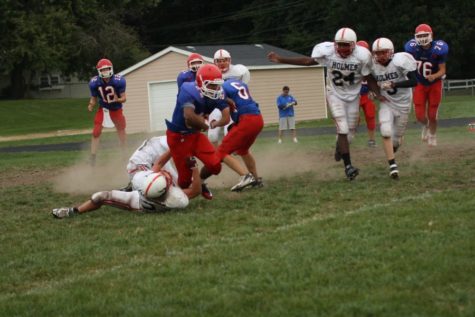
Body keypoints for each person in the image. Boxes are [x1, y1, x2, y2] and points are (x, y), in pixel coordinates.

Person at [268, 27, 382, 180]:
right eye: (339, 44)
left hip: (353, 96)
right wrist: (281, 59)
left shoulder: (363, 56)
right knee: (342, 127)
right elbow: (308, 61)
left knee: (350, 133)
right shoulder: (327, 50)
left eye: (345, 45)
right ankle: (348, 166)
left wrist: (379, 93)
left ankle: (339, 146)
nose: (342, 48)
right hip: (334, 93)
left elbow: (369, 77)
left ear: (354, 44)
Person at [166, 64, 254, 199]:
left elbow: (224, 110)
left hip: (195, 136)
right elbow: (188, 116)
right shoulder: (188, 90)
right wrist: (205, 126)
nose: (216, 88)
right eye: (212, 85)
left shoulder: (217, 93)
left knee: (215, 166)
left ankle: (200, 183)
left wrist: (229, 103)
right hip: (179, 136)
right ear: (201, 82)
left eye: (218, 85)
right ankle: (168, 191)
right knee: (184, 181)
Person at [52, 156, 201, 218]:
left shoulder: (152, 188)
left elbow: (158, 165)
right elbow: (196, 190)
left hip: (139, 200)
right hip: (142, 199)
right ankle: (129, 187)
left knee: (100, 196)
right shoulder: (176, 199)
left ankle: (74, 211)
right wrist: (194, 168)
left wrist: (171, 148)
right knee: (103, 196)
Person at [201, 78, 264, 191]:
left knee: (221, 152)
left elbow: (225, 118)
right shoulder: (240, 84)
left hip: (246, 120)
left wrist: (215, 123)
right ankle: (255, 179)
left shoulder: (221, 88)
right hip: (258, 119)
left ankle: (246, 176)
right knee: (243, 151)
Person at [371, 38, 418, 179]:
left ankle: (392, 151)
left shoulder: (400, 60)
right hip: (387, 102)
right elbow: (370, 79)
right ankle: (392, 165)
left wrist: (394, 85)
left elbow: (414, 81)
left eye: (383, 52)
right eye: (377, 53)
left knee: (396, 140)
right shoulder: (372, 65)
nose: (380, 56)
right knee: (385, 131)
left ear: (390, 52)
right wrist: (374, 91)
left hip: (403, 104)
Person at [404, 23, 449, 146]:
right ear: (415, 37)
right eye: (420, 35)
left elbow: (443, 70)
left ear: (431, 35)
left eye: (425, 35)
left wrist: (434, 76)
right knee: (419, 116)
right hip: (420, 84)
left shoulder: (439, 49)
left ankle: (433, 135)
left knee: (432, 114)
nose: (423, 38)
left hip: (435, 83)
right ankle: (426, 126)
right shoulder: (411, 48)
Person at [87, 58, 127, 166]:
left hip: (116, 109)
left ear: (111, 69)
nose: (105, 72)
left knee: (121, 131)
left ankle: (124, 153)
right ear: (99, 71)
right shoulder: (94, 82)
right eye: (103, 70)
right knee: (96, 131)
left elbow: (124, 98)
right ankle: (93, 157)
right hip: (104, 108)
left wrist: (117, 99)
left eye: (107, 69)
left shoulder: (119, 81)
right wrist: (91, 104)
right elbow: (94, 97)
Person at [208, 49, 251, 146]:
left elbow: (243, 88)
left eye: (225, 60)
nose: (222, 63)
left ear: (230, 60)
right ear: (214, 62)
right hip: (216, 106)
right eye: (219, 61)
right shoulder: (210, 72)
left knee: (229, 133)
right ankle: (216, 156)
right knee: (212, 136)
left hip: (233, 106)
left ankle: (229, 155)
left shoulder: (239, 71)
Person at [356, 41, 377, 147]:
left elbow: (374, 79)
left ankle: (371, 140)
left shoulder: (371, 63)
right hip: (354, 96)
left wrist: (372, 90)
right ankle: (345, 138)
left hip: (366, 95)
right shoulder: (351, 62)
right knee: (354, 119)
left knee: (370, 116)